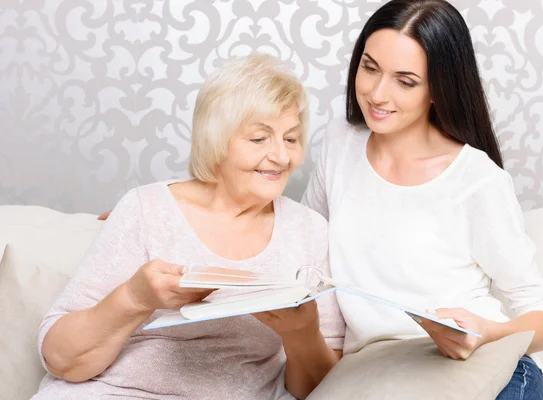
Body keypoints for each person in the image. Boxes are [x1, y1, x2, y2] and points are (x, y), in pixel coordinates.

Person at [33, 54, 344, 400]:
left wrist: (303, 334)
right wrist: (136, 298)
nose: (282, 157)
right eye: (259, 139)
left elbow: (317, 390)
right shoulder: (146, 210)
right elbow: (60, 359)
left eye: (291, 139)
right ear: (216, 139)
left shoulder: (310, 232)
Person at [300, 1, 543, 399]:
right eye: (369, 68)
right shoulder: (340, 143)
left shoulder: (478, 180)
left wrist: (488, 331)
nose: (377, 93)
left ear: (440, 89)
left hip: (485, 369)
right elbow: (305, 251)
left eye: (405, 81)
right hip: (382, 374)